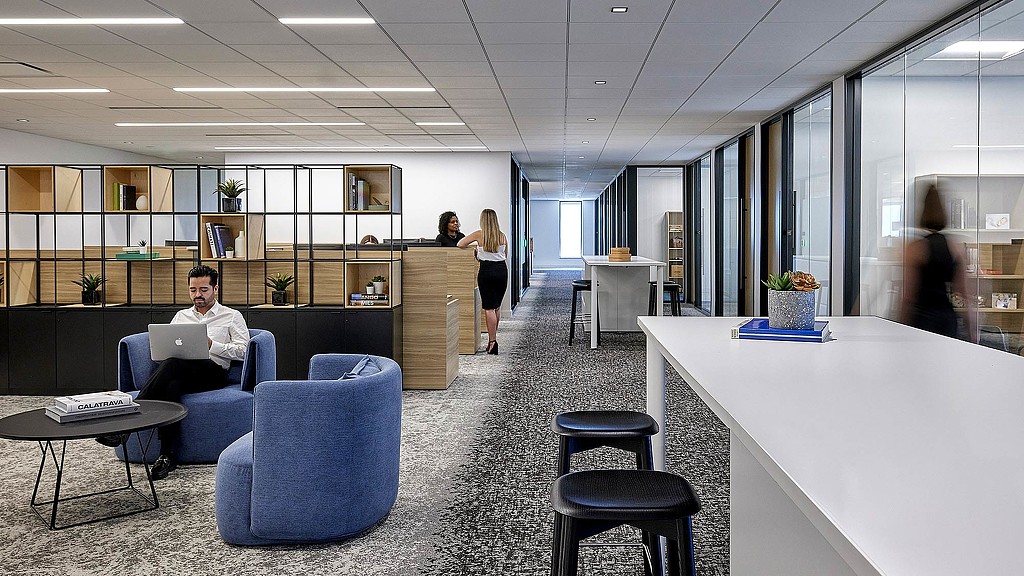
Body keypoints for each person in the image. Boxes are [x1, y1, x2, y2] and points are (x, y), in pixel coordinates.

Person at [98, 265, 250, 479]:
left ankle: (126, 425)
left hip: (212, 372)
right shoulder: (181, 316)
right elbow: (166, 347)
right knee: (172, 386)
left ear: (216, 289)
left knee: (172, 364)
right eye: (193, 290)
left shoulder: (231, 316)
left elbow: (244, 351)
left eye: (204, 289)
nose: (198, 295)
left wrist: (211, 345)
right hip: (181, 372)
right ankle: (167, 456)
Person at [900, 185, 977, 342]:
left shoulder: (915, 248)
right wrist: (972, 332)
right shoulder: (956, 247)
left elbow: (909, 296)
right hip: (946, 318)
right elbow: (964, 294)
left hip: (922, 318)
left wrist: (900, 327)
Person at [458, 209, 508, 355]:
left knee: (489, 308)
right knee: (497, 306)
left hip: (486, 271)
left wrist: (476, 251)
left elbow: (460, 244)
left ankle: (492, 342)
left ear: (482, 220)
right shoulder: (502, 236)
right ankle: (493, 339)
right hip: (501, 271)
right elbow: (505, 255)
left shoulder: (479, 234)